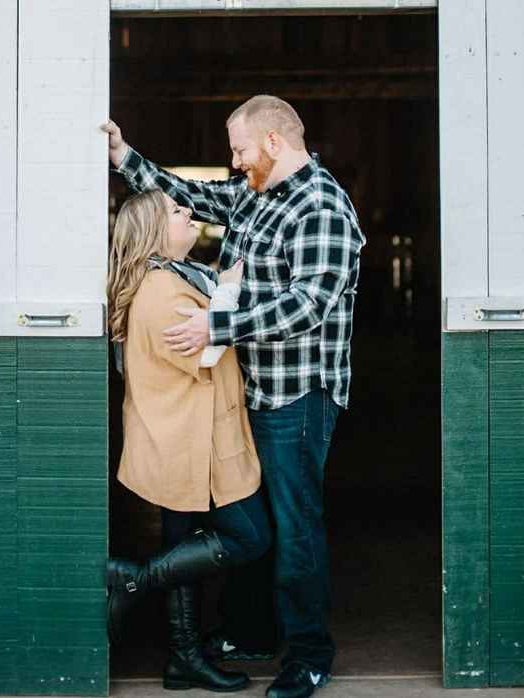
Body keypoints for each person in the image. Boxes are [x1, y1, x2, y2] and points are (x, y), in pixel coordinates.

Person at [101, 95, 365, 698]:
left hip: (297, 396)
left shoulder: (322, 207)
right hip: (250, 390)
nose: (235, 161)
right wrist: (123, 156)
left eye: (241, 149)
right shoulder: (253, 192)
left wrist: (217, 326)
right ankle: (251, 631)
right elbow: (184, 197)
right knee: (257, 520)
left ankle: (309, 656)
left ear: (274, 141)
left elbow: (307, 306)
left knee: (295, 525)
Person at [105, 187, 273, 693]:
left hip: (181, 438)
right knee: (250, 537)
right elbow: (202, 351)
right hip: (190, 440)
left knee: (181, 545)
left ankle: (184, 658)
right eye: (176, 210)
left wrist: (220, 286)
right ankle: (135, 579)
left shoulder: (175, 276)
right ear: (155, 231)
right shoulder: (161, 290)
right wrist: (227, 294)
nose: (188, 212)